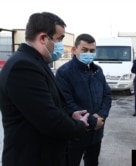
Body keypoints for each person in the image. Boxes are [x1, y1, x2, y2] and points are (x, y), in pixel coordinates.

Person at [0, 12, 89, 166]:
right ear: (43, 38)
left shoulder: (35, 61)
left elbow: (47, 103)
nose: (61, 45)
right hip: (32, 158)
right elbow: (49, 120)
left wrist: (70, 114)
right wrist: (80, 126)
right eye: (59, 39)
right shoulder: (23, 67)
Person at [55, 33, 112, 166]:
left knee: (92, 162)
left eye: (92, 51)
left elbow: (107, 95)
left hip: (96, 133)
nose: (89, 53)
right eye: (84, 50)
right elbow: (66, 102)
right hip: (75, 134)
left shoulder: (97, 71)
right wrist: (92, 121)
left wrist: (101, 116)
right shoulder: (64, 72)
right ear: (75, 50)